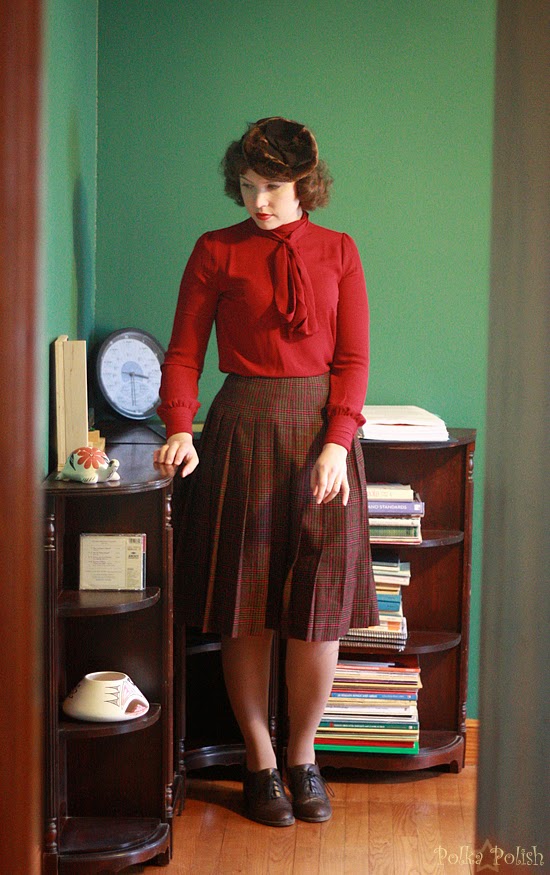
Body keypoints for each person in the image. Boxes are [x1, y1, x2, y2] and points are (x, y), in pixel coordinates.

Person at [154, 116, 378, 827]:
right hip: (241, 429)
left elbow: (353, 359)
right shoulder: (215, 250)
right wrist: (180, 426)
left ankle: (302, 758)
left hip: (322, 440)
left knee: (319, 610)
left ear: (304, 185)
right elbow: (183, 353)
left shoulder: (340, 251)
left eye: (274, 188)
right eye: (249, 186)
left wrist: (338, 441)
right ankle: (259, 761)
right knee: (244, 607)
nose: (259, 201)